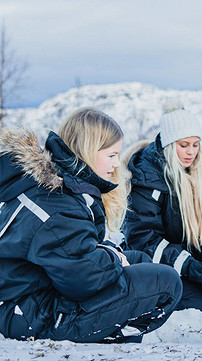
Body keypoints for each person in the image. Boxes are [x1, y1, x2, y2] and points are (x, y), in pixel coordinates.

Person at [0, 108, 183, 343]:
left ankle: (110, 326)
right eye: (111, 155)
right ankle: (110, 335)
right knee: (166, 283)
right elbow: (84, 279)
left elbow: (75, 252)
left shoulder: (57, 186)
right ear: (87, 150)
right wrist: (115, 258)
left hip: (34, 295)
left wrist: (113, 254)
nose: (117, 164)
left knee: (138, 260)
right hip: (27, 313)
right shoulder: (57, 204)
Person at [125, 103, 202, 316]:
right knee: (201, 300)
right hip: (159, 260)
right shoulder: (147, 177)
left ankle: (196, 296)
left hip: (195, 249)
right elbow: (142, 238)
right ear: (168, 144)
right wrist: (186, 265)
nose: (191, 152)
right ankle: (190, 298)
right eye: (183, 145)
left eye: (195, 144)